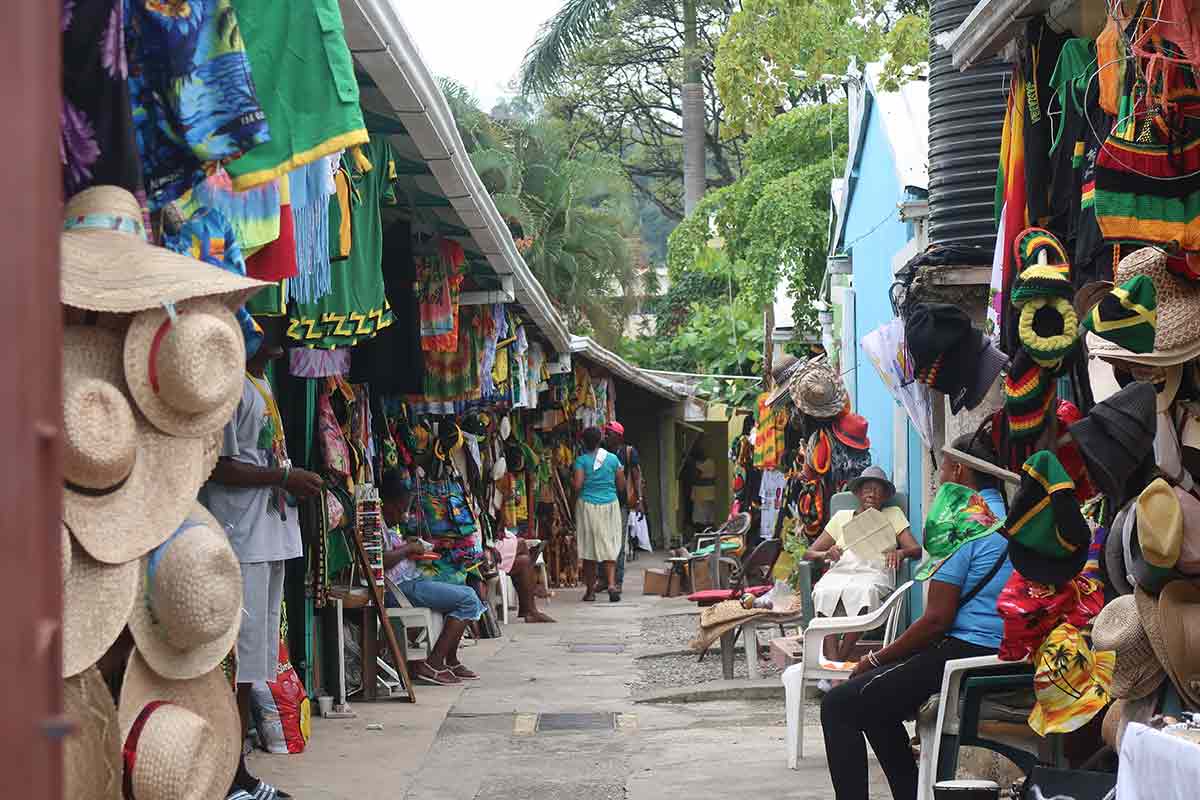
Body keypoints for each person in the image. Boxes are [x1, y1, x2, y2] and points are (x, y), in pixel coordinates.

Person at [820, 433, 1012, 800]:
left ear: (958, 469)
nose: (939, 477)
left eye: (942, 468)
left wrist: (875, 656)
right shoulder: (1006, 518)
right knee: (875, 703)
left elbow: (937, 619)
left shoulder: (963, 524)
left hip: (965, 653)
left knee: (838, 704)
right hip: (1001, 652)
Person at [201, 318, 324, 800]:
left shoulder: (261, 382)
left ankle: (240, 771)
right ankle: (230, 776)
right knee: (236, 663)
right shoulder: (231, 388)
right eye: (269, 320)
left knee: (255, 664)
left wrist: (285, 479)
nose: (282, 327)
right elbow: (221, 467)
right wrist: (283, 477)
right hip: (242, 539)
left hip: (268, 537)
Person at [379, 470, 487, 685]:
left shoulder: (387, 524)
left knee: (464, 590)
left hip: (410, 582)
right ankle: (434, 663)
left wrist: (411, 546)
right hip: (399, 589)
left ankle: (451, 659)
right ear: (388, 503)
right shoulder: (376, 524)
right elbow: (380, 561)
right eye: (401, 508)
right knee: (468, 599)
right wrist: (408, 548)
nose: (404, 514)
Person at [805, 465, 921, 662]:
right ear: (858, 493)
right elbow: (809, 553)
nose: (871, 493)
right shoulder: (842, 517)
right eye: (867, 488)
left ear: (885, 496)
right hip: (841, 570)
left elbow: (915, 549)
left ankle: (838, 663)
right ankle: (835, 668)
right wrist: (827, 553)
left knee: (865, 592)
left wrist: (900, 552)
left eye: (877, 489)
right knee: (824, 591)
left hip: (874, 571)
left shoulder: (893, 514)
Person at [573, 426, 626, 602]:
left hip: (587, 506)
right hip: (610, 504)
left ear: (583, 442)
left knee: (590, 548)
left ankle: (590, 591)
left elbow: (578, 485)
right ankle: (611, 584)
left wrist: (570, 480)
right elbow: (621, 485)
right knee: (610, 543)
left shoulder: (581, 461)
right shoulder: (612, 459)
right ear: (600, 440)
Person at [595, 421, 642, 595]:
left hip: (620, 504)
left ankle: (617, 581)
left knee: (618, 543)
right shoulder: (599, 453)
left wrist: (640, 499)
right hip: (600, 502)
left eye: (609, 433)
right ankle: (602, 579)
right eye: (605, 433)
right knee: (601, 541)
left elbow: (636, 476)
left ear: (618, 436)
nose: (606, 436)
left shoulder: (628, 452)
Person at [489, 531, 555, 623]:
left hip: (492, 546)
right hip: (485, 552)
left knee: (524, 561)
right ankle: (531, 595)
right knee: (522, 544)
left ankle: (529, 609)